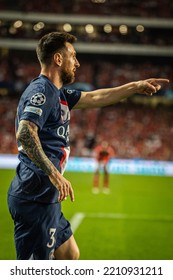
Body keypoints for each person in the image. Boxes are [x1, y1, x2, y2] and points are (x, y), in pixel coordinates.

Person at [7, 31, 169, 260]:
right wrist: (54, 174)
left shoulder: (58, 93)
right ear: (58, 59)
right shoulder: (41, 91)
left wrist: (135, 86)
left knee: (70, 254)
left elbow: (95, 98)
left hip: (46, 197)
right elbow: (25, 132)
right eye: (73, 56)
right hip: (34, 196)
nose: (78, 62)